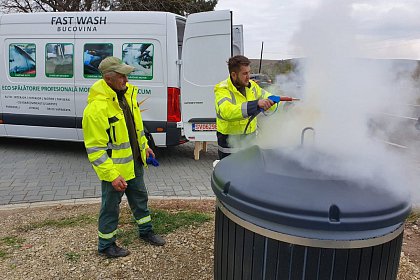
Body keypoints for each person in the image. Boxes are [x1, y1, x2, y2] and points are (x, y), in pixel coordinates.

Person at [82, 56, 165, 258]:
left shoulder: (126, 95)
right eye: (122, 76)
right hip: (115, 170)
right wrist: (111, 175)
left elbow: (136, 129)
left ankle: (146, 232)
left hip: (134, 162)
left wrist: (144, 148)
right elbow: (95, 150)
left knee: (140, 199)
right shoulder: (96, 108)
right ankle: (106, 245)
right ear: (108, 78)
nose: (126, 81)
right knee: (110, 207)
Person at [214, 55, 275, 159]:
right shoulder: (222, 89)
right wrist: (255, 104)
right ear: (234, 75)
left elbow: (268, 97)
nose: (249, 76)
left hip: (249, 142)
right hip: (229, 145)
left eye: (249, 72)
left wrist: (280, 102)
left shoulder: (252, 86)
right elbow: (227, 111)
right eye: (245, 73)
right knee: (230, 174)